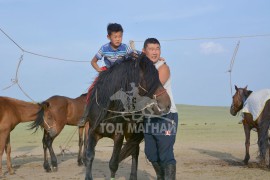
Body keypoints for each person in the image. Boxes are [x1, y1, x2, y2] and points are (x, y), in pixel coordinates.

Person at [142, 38, 178, 180]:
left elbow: (151, 86)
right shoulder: (143, 68)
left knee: (165, 155)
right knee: (151, 154)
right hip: (149, 117)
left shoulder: (163, 67)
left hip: (166, 116)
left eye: (157, 49)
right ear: (145, 51)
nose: (155, 52)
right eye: (151, 49)